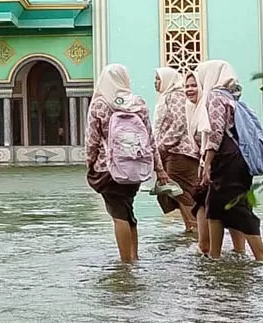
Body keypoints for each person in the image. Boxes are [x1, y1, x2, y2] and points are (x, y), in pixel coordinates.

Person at [85, 64, 164, 263]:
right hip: (134, 166)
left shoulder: (100, 104)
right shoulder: (138, 103)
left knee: (119, 215)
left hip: (108, 168)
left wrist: (90, 163)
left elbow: (92, 140)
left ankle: (125, 262)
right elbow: (150, 138)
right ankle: (134, 257)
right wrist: (159, 168)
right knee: (128, 210)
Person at [193, 59, 263, 262]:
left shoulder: (215, 97)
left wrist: (207, 163)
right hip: (238, 159)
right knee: (215, 206)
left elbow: (215, 133)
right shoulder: (232, 97)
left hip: (227, 160)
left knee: (239, 208)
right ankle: (215, 258)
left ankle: (261, 257)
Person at [153, 66, 199, 232]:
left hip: (179, 152)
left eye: (158, 79)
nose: (155, 83)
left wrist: (161, 147)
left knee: (180, 191)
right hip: (171, 152)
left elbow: (179, 123)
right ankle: (191, 227)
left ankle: (196, 227)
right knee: (175, 191)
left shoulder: (176, 95)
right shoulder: (166, 96)